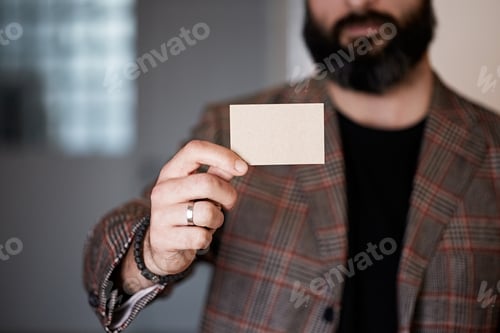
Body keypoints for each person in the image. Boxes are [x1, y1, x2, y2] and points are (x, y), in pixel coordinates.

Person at [83, 0, 500, 332]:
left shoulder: (493, 146)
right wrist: (152, 253)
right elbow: (104, 254)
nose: (357, 2)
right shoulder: (234, 127)